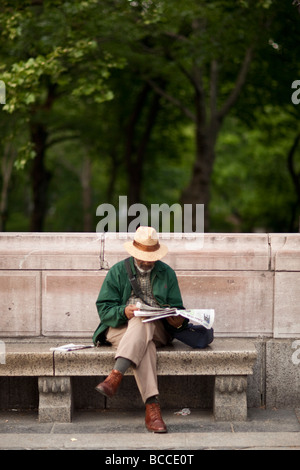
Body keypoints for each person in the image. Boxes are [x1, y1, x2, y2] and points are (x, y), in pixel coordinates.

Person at [93, 226, 187, 433]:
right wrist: (124, 311)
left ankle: (115, 376)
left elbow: (179, 310)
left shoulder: (167, 273)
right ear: (134, 253)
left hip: (157, 329)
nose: (147, 261)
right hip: (120, 329)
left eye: (151, 256)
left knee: (143, 321)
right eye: (143, 256)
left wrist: (176, 319)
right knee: (146, 344)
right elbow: (104, 309)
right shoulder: (118, 271)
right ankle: (152, 410)